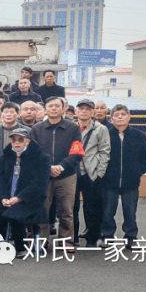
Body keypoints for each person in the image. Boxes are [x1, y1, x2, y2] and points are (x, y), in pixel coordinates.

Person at [0, 127, 51, 256]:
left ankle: (21, 247)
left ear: (27, 141)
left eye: (20, 140)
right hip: (7, 197)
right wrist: (2, 197)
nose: (17, 143)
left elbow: (38, 183)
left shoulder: (42, 157)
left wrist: (18, 198)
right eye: (14, 140)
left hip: (29, 199)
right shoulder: (5, 155)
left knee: (14, 214)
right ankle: (0, 244)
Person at [30, 96, 84, 246]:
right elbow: (33, 152)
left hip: (66, 175)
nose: (53, 108)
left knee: (67, 211)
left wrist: (61, 166)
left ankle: (66, 241)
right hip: (43, 176)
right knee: (42, 209)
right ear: (45, 109)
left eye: (56, 106)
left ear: (63, 109)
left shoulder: (73, 128)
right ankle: (41, 240)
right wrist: (48, 167)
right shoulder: (37, 129)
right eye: (50, 106)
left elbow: (77, 151)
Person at [100, 105, 146, 244]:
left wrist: (138, 172)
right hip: (109, 181)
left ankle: (130, 237)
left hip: (131, 182)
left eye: (123, 114)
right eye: (116, 114)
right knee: (108, 211)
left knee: (130, 212)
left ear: (129, 117)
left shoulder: (138, 135)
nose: (120, 117)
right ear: (111, 117)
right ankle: (107, 236)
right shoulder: (105, 134)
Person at [72, 98, 111, 248]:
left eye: (88, 109)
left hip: (91, 173)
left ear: (93, 112)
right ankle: (73, 238)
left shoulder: (100, 129)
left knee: (92, 207)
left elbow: (105, 152)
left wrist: (99, 173)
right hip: (72, 172)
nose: (84, 111)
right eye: (81, 108)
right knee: (71, 207)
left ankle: (92, 238)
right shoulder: (69, 126)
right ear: (76, 111)